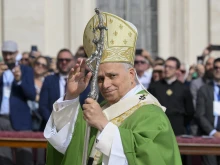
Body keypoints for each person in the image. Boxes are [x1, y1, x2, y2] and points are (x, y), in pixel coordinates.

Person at [44, 12, 182, 165]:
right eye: (100, 79)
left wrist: (104, 125)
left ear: (131, 74)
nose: (105, 84)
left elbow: (152, 158)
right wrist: (71, 96)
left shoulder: (151, 114)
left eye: (112, 76)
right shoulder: (101, 109)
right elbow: (67, 144)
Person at [0, 40, 36, 165]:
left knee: (25, 158)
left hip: (21, 120)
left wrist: (19, 80)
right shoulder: (0, 70)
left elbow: (31, 95)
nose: (8, 57)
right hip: (2, 120)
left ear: (16, 53)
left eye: (10, 54)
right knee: (4, 159)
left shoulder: (26, 70)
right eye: (5, 53)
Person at [148, 57, 194, 135]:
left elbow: (190, 111)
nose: (167, 69)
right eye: (165, 66)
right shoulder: (154, 87)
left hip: (177, 129)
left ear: (177, 70)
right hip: (157, 129)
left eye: (170, 67)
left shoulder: (183, 88)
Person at [39, 49, 75, 130]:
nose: (64, 62)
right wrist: (54, 123)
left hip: (74, 128)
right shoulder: (49, 80)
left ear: (73, 62)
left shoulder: (79, 82)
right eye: (61, 60)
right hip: (51, 127)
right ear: (57, 62)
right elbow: (42, 106)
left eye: (67, 60)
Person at [195, 58, 220, 165]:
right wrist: (214, 133)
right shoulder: (204, 89)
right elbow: (200, 115)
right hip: (209, 136)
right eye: (216, 67)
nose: (218, 70)